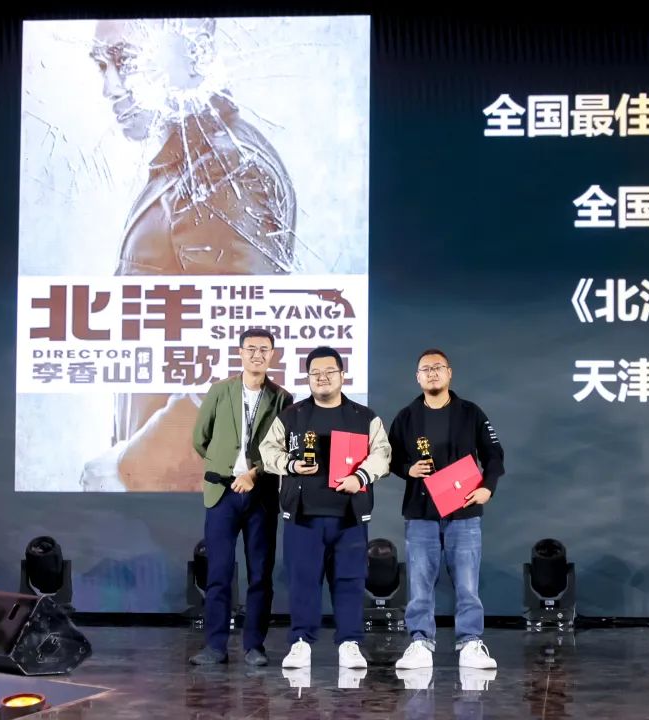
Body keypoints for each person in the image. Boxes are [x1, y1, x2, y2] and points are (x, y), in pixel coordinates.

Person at [85, 18, 297, 492]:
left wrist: (130, 468)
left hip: (196, 499)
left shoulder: (222, 170)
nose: (110, 87)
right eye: (101, 66)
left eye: (125, 60)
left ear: (187, 46)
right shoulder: (187, 165)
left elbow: (247, 363)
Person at [259, 346, 391, 669]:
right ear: (308, 378)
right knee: (303, 582)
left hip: (349, 516)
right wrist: (290, 465)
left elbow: (383, 454)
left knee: (350, 581)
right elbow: (267, 451)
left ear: (342, 375)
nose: (322, 378)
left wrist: (360, 476)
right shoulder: (292, 415)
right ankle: (300, 642)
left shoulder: (364, 417)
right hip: (303, 515)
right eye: (315, 373)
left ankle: (350, 643)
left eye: (329, 371)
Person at [389, 349, 504, 670]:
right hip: (420, 513)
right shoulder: (407, 417)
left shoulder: (470, 413)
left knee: (467, 584)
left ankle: (470, 643)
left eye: (438, 367)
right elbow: (389, 458)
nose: (432, 373)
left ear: (449, 373)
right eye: (425, 369)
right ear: (417, 377)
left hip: (463, 511)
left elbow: (494, 454)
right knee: (419, 585)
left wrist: (487, 487)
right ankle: (420, 642)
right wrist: (408, 469)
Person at [188, 329, 293, 666]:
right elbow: (200, 438)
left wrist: (254, 474)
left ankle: (254, 646)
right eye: (251, 349)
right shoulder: (220, 391)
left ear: (272, 355)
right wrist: (226, 468)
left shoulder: (282, 398)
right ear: (240, 353)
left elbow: (283, 447)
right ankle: (214, 646)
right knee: (218, 573)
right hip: (222, 494)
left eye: (264, 349)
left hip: (261, 495)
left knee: (260, 574)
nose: (257, 354)